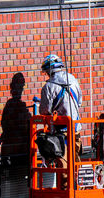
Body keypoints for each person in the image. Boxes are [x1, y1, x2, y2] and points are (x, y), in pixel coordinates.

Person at [39, 54, 82, 189]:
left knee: (64, 162)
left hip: (60, 131)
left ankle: (67, 189)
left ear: (50, 70)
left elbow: (44, 110)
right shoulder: (74, 80)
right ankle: (79, 185)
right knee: (75, 159)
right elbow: (79, 102)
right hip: (76, 128)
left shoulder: (49, 86)